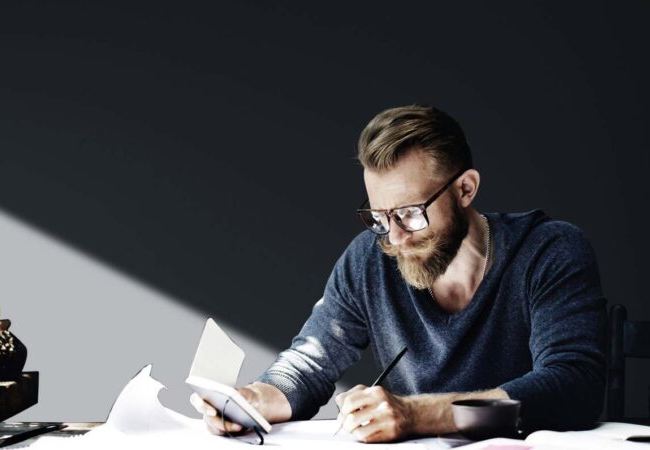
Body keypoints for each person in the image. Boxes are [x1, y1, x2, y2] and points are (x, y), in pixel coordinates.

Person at [190, 104, 607, 443]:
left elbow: (574, 386)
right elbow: (309, 363)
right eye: (379, 216)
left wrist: (418, 414)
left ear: (465, 189)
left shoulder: (548, 250)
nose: (395, 237)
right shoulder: (369, 259)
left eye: (410, 212)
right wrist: (257, 398)